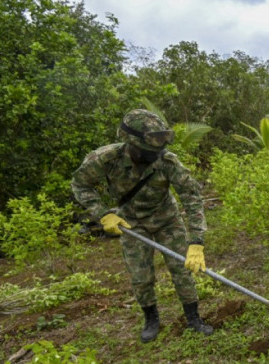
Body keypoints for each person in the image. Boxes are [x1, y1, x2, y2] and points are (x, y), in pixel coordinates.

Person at [72, 109, 213, 343]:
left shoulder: (167, 160)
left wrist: (196, 241)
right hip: (130, 223)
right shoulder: (105, 158)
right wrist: (103, 214)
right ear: (130, 143)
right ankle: (151, 319)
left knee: (182, 269)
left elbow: (191, 195)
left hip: (167, 218)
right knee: (141, 276)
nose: (154, 155)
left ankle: (193, 318)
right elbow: (80, 185)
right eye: (148, 151)